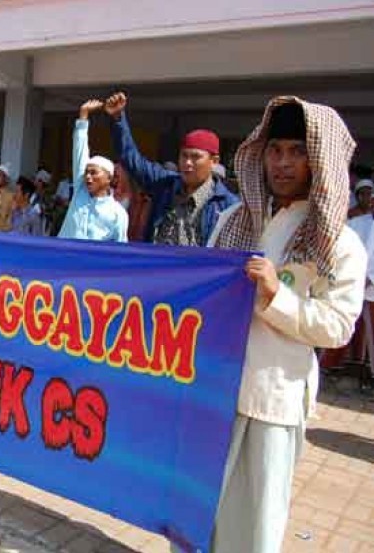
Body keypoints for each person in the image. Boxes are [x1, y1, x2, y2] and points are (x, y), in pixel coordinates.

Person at [207, 99, 365, 553]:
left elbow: (336, 327)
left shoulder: (340, 244)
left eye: (297, 151)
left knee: (256, 526)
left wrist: (277, 297)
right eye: (275, 150)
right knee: (203, 512)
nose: (282, 162)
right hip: (216, 394)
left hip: (272, 399)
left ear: (319, 160)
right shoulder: (232, 221)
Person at [106, 92, 239, 245]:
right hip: (157, 267)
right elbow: (131, 158)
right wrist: (118, 119)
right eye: (184, 156)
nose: (188, 163)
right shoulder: (165, 184)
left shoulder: (227, 205)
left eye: (195, 157)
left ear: (214, 161)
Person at [58, 99, 128, 243]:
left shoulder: (117, 213)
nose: (88, 177)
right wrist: (83, 116)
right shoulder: (80, 190)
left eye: (94, 173)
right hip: (62, 259)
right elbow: (80, 151)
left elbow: (120, 248)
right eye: (86, 173)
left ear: (109, 178)